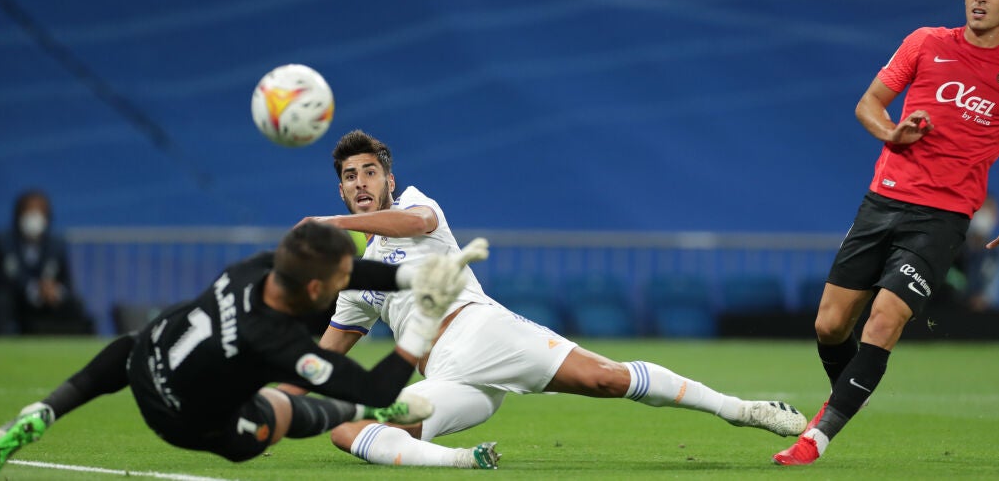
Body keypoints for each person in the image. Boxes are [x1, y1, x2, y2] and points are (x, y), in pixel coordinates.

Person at [292, 130, 807, 469]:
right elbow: (326, 354)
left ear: (389, 179)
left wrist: (333, 223)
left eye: (369, 172)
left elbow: (416, 223)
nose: (360, 182)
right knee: (347, 430)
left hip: (481, 333)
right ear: (341, 189)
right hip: (449, 378)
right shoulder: (354, 279)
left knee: (607, 379)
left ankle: (739, 409)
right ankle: (464, 460)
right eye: (350, 177)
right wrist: (274, 399)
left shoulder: (416, 206)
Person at [773, 0, 999, 466]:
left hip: (942, 219)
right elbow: (868, 104)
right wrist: (891, 133)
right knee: (829, 325)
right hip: (882, 202)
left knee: (882, 321)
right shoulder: (925, 42)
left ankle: (817, 437)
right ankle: (850, 395)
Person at [0, 222, 500, 476]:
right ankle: (353, 416)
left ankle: (43, 411)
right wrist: (421, 323)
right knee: (278, 410)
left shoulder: (254, 267)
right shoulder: (278, 343)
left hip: (147, 359)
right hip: (184, 421)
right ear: (316, 291)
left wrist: (413, 276)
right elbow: (377, 385)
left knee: (130, 346)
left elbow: (343, 271)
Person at [0, 190, 93, 335]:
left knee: (75, 304)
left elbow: (66, 282)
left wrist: (56, 291)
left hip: (47, 301)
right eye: (29, 211)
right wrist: (35, 289)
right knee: (0, 301)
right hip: (15, 297)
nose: (34, 217)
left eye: (39, 211)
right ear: (19, 214)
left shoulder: (56, 245)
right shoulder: (2, 242)